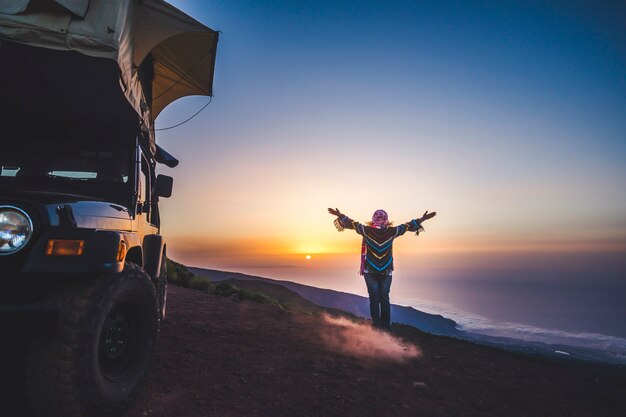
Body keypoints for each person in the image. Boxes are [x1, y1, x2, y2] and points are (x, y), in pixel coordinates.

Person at [328, 207, 436, 331]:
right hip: (383, 270)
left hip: (374, 270)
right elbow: (407, 226)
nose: (380, 219)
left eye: (381, 217)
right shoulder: (390, 231)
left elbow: (352, 224)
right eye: (378, 217)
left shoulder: (368, 230)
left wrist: (340, 214)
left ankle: (380, 326)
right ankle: (382, 326)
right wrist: (423, 219)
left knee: (377, 298)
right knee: (382, 298)